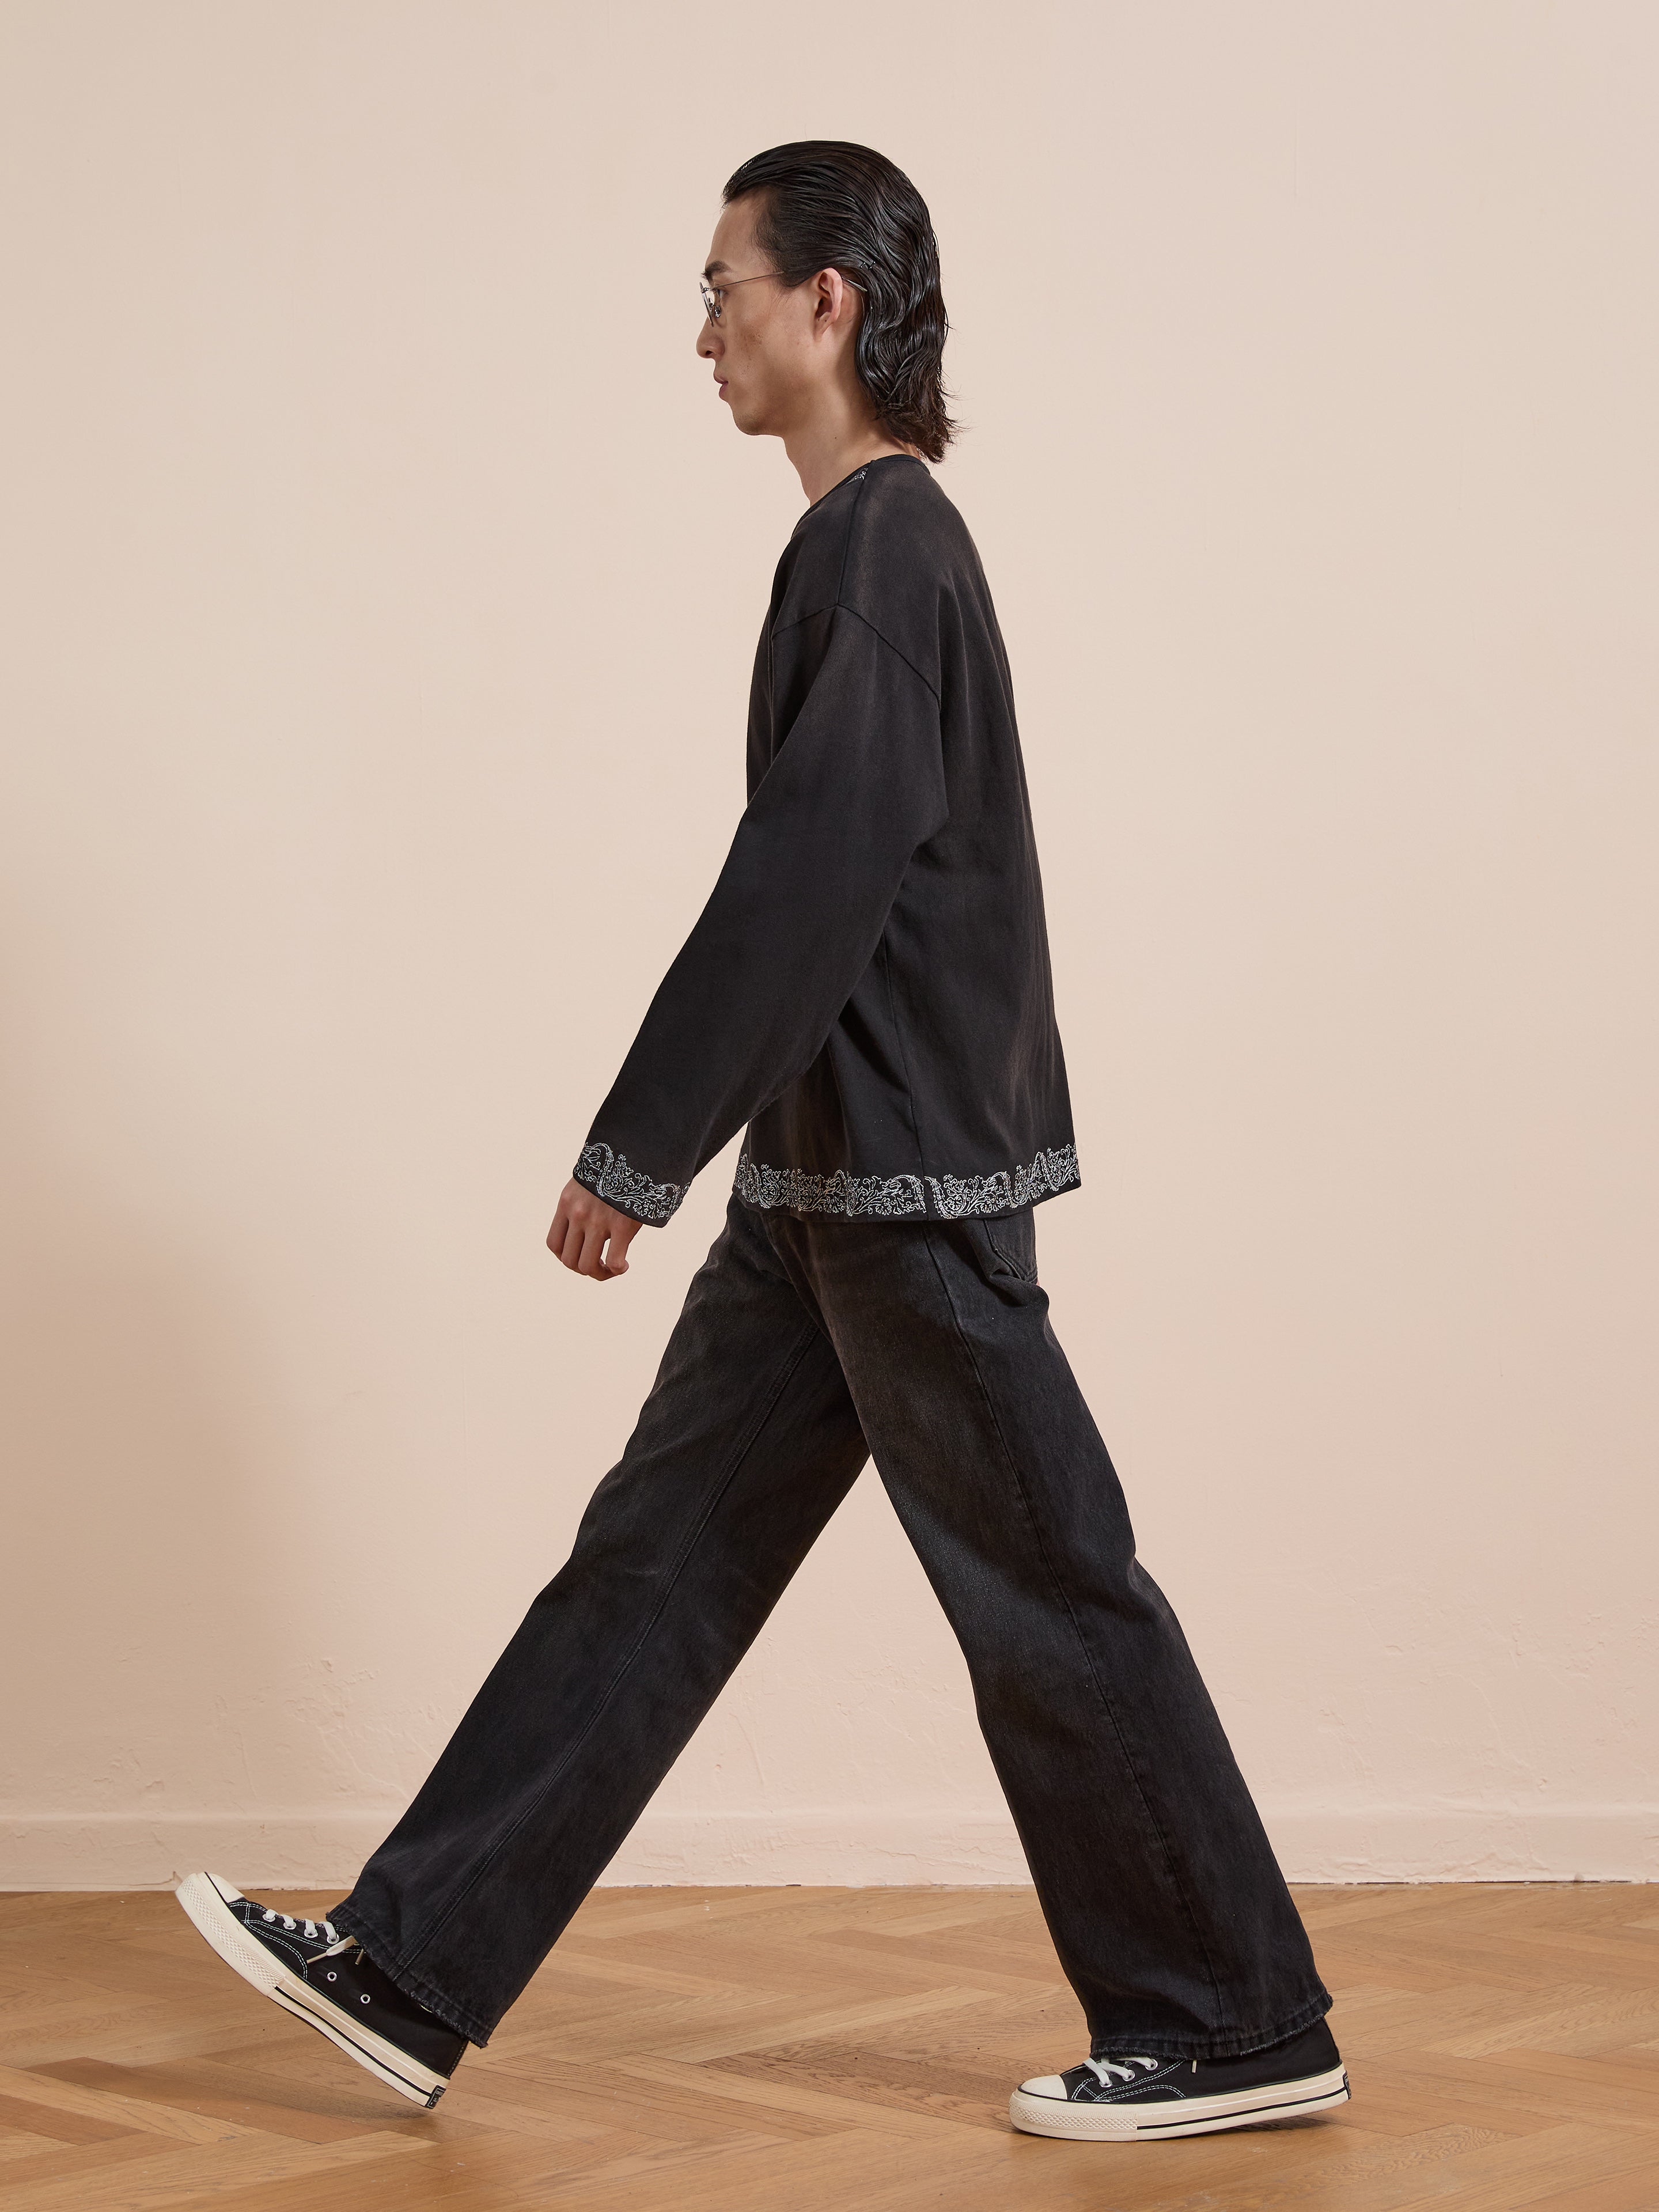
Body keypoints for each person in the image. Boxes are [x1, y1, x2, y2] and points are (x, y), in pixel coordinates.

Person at [177, 140, 1347, 2144]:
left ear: (835, 304)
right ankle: (414, 1957)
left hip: (901, 1188)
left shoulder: (885, 545)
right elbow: (827, 881)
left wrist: (640, 1145)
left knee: (1052, 1591)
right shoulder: (861, 548)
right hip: (827, 1188)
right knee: (649, 1573)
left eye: (726, 285)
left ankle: (1236, 2017)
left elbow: (813, 873)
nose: (703, 326)